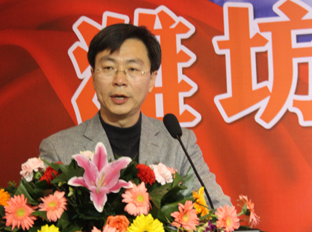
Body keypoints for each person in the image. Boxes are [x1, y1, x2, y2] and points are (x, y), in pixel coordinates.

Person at [39, 23, 230, 208]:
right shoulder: (58, 149)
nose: (120, 80)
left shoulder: (179, 144)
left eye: (132, 69)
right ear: (93, 77)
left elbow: (219, 208)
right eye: (108, 68)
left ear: (151, 79)